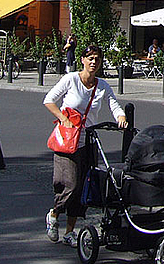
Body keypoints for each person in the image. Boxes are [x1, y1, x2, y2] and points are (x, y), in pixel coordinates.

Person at [43, 44, 127, 247]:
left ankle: (70, 232)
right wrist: (63, 118)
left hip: (88, 141)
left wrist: (121, 116)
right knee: (69, 184)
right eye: (89, 58)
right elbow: (49, 100)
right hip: (67, 140)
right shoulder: (71, 79)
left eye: (97, 58)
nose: (93, 62)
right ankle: (54, 213)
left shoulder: (102, 85)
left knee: (83, 188)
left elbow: (113, 104)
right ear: (82, 60)